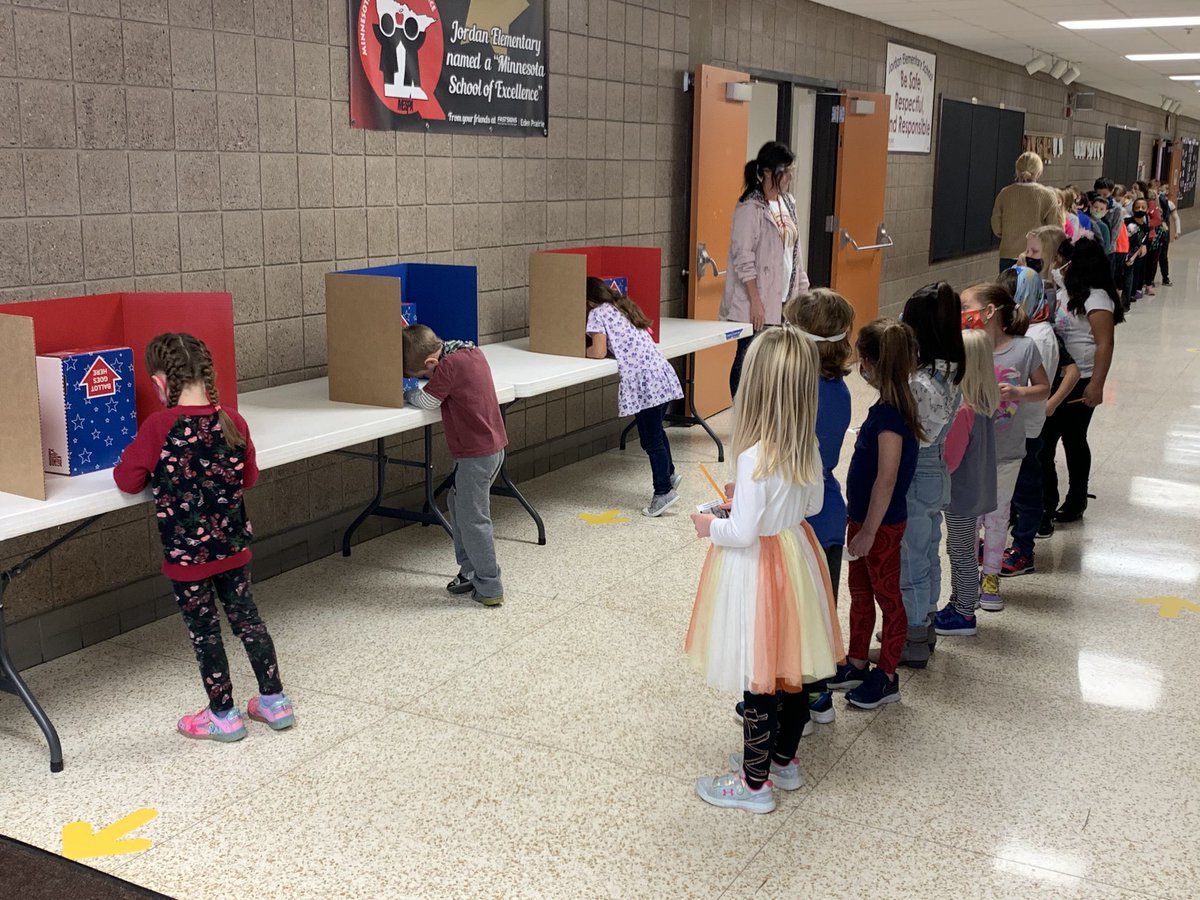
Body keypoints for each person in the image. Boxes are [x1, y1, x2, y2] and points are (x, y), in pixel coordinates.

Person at [685, 328, 840, 814]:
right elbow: (812, 502)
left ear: (756, 388)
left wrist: (710, 524)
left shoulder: (754, 457)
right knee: (790, 668)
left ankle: (753, 787)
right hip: (796, 560)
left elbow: (743, 534)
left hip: (757, 572)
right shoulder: (806, 445)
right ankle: (783, 760)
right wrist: (762, 505)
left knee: (758, 675)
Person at [114, 333, 293, 742]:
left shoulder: (159, 426)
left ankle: (223, 715)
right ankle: (274, 702)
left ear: (160, 382)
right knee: (248, 622)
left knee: (205, 633)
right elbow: (249, 477)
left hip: (187, 559)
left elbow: (127, 480)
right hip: (233, 549)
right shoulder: (233, 419)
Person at [828, 319, 920, 709]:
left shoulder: (891, 418)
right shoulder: (885, 407)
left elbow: (887, 479)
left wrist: (868, 531)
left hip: (879, 526)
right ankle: (856, 661)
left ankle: (887, 675)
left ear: (872, 363)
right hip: (863, 520)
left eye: (862, 359)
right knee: (860, 592)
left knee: (887, 596)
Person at [782, 288, 855, 724]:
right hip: (828, 513)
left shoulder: (801, 393)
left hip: (801, 518)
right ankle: (818, 696)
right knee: (821, 608)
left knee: (798, 613)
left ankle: (798, 702)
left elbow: (790, 462)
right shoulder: (837, 388)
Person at [403, 324, 508, 607]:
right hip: (492, 448)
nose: (426, 378)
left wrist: (405, 393)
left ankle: (489, 584)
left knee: (474, 519)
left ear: (431, 362)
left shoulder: (448, 367)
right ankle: (469, 571)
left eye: (424, 375)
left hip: (475, 454)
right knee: (457, 502)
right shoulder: (471, 353)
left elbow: (426, 400)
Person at [960, 283, 1049, 611]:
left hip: (1007, 451)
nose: (962, 313)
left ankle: (991, 577)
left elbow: (1042, 387)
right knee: (968, 518)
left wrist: (1018, 393)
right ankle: (965, 577)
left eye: (966, 305)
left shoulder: (1025, 349)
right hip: (971, 451)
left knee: (997, 518)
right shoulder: (965, 346)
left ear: (989, 312)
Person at [895, 283, 963, 669]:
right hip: (936, 472)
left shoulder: (918, 384)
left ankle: (912, 639)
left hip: (916, 476)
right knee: (929, 555)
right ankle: (927, 624)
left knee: (912, 562)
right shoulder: (950, 369)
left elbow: (911, 435)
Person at [995, 265, 1078, 573]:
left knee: (1027, 489)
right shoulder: (1025, 332)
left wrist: (1011, 391)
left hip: (1026, 429)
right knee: (1010, 488)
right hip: (1010, 426)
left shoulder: (1037, 337)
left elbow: (1039, 387)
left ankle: (1023, 549)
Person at [584, 277, 684, 517]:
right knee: (657, 432)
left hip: (644, 382)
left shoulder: (597, 313)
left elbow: (597, 352)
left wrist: (577, 349)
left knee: (651, 441)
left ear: (587, 300)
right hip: (661, 374)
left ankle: (663, 492)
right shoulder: (623, 306)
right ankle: (669, 473)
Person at [721, 141, 810, 397]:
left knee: (774, 364)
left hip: (783, 299)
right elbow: (743, 258)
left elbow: (795, 255)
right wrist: (755, 301)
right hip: (755, 302)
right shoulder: (750, 207)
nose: (791, 177)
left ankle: (764, 418)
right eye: (787, 171)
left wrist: (803, 294)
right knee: (748, 359)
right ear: (769, 172)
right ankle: (742, 415)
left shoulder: (787, 203)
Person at [1044, 237, 1123, 523]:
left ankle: (1076, 498)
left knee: (1073, 437)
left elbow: (1105, 343)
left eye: (1061, 261)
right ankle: (1045, 499)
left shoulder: (1098, 298)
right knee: (1047, 438)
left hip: (1083, 377)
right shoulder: (1070, 291)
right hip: (1060, 373)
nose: (1057, 266)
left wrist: (1097, 385)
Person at [933, 329, 998, 636]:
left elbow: (951, 459)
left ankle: (964, 612)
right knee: (962, 549)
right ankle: (961, 601)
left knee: (959, 552)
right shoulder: (984, 405)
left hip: (960, 494)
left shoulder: (963, 411)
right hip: (975, 489)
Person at [990, 151, 1057, 272]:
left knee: (1008, 289)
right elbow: (1054, 229)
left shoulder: (1005, 193)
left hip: (1008, 253)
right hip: (1036, 254)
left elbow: (996, 227)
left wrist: (1009, 235)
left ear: (1017, 170)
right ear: (1039, 172)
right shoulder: (1047, 195)